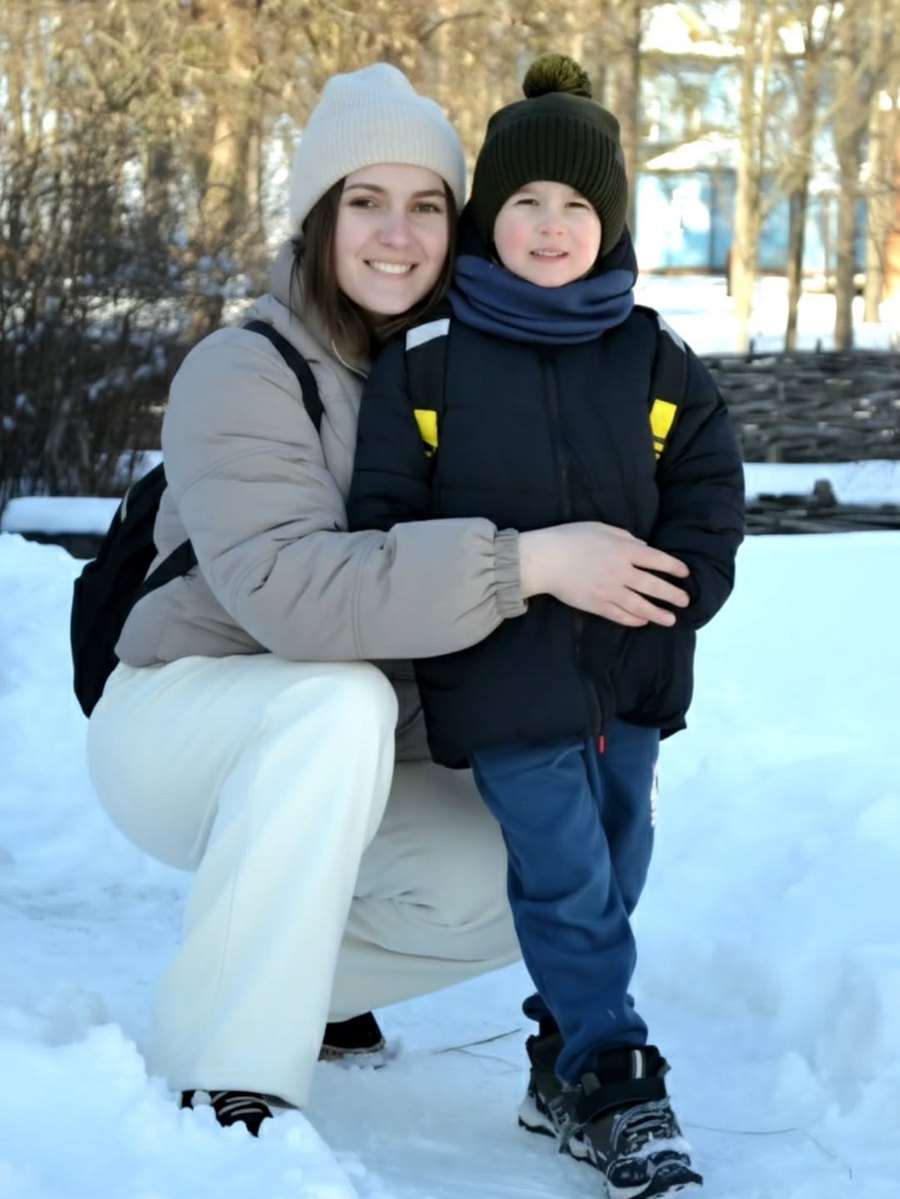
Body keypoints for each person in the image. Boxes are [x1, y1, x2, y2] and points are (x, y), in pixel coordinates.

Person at [86, 60, 696, 1141]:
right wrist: (524, 564)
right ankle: (230, 1071)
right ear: (319, 218)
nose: (398, 235)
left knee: (529, 864)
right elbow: (291, 596)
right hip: (185, 717)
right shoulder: (246, 369)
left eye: (427, 206)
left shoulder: (467, 373)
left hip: (363, 746)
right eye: (365, 201)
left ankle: (288, 983)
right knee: (334, 700)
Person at [346, 54, 744, 1199]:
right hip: (504, 678)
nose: (552, 223)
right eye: (526, 200)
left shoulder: (657, 356)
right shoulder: (428, 364)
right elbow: (386, 518)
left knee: (617, 862)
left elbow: (709, 488)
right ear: (489, 218)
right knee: (568, 872)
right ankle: (617, 1076)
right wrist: (496, 583)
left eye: (577, 203)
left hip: (633, 673)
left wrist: (683, 589)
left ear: (610, 221)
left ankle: (554, 1060)